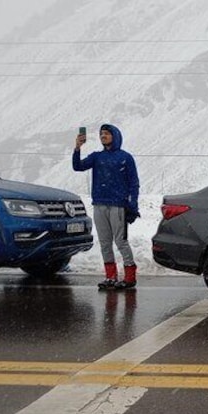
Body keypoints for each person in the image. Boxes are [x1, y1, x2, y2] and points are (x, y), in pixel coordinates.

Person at [73, 123, 140, 290]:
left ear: (115, 136)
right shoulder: (96, 157)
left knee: (120, 241)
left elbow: (134, 183)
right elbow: (78, 166)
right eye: (102, 134)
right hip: (99, 205)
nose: (103, 136)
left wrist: (133, 205)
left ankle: (130, 277)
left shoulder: (125, 157)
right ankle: (110, 277)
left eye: (107, 134)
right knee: (104, 242)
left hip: (118, 206)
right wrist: (77, 148)